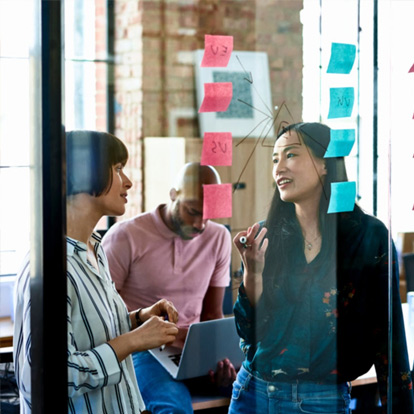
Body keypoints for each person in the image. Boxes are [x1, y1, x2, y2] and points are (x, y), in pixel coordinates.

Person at [229, 122, 414, 413]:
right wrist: (252, 274)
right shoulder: (266, 236)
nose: (279, 168)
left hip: (321, 401)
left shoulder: (367, 237)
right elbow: (248, 331)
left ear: (325, 164)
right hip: (252, 393)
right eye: (275, 159)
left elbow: (388, 341)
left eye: (291, 155)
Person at [13, 130, 179, 413]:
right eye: (117, 169)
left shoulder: (94, 249)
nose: (128, 181)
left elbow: (88, 334)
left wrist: (138, 319)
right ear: (83, 175)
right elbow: (47, 375)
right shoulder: (50, 268)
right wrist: (134, 341)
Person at [102, 162, 236, 413]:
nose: (200, 224)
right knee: (172, 407)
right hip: (142, 351)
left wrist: (220, 357)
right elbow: (102, 315)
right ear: (173, 195)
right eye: (193, 211)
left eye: (208, 216)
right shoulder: (126, 236)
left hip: (193, 350)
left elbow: (211, 315)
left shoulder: (218, 237)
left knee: (258, 391)